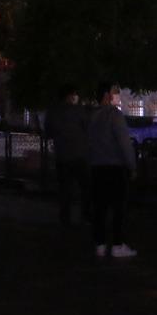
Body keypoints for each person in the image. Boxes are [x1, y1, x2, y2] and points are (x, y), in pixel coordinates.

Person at [87, 82, 137, 259]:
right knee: (118, 208)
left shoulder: (91, 116)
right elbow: (124, 143)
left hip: (96, 167)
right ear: (107, 95)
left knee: (99, 207)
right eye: (115, 92)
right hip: (115, 167)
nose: (118, 95)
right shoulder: (114, 115)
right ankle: (117, 244)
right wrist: (132, 165)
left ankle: (99, 244)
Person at [44, 83, 90, 227]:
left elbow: (49, 132)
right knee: (86, 188)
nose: (76, 96)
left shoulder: (53, 111)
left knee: (65, 190)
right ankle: (85, 216)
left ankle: (65, 219)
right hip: (79, 155)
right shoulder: (79, 111)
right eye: (74, 94)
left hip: (62, 155)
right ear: (69, 95)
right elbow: (87, 128)